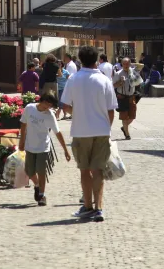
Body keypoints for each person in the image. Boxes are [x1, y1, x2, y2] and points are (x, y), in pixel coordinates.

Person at [60, 45, 117, 222]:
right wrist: (107, 128)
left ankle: (87, 206)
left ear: (80, 59)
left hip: (80, 130)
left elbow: (65, 105)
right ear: (96, 60)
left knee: (84, 171)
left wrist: (77, 113)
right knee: (98, 170)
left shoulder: (73, 79)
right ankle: (99, 208)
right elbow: (111, 110)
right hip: (101, 130)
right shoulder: (105, 80)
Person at [20, 93, 71, 206]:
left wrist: (65, 150)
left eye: (50, 105)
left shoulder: (50, 115)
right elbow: (23, 125)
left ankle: (42, 195)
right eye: (47, 104)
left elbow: (57, 133)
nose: (48, 107)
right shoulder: (29, 108)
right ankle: (37, 185)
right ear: (42, 100)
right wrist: (21, 141)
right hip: (30, 145)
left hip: (43, 146)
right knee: (29, 171)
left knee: (41, 171)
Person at [113, 57, 141, 140]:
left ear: (130, 64)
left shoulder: (133, 72)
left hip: (131, 96)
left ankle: (124, 127)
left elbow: (141, 66)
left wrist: (133, 66)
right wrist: (120, 82)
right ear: (121, 64)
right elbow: (113, 85)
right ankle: (127, 134)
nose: (125, 65)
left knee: (132, 116)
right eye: (124, 64)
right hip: (122, 97)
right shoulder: (118, 74)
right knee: (124, 116)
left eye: (127, 63)